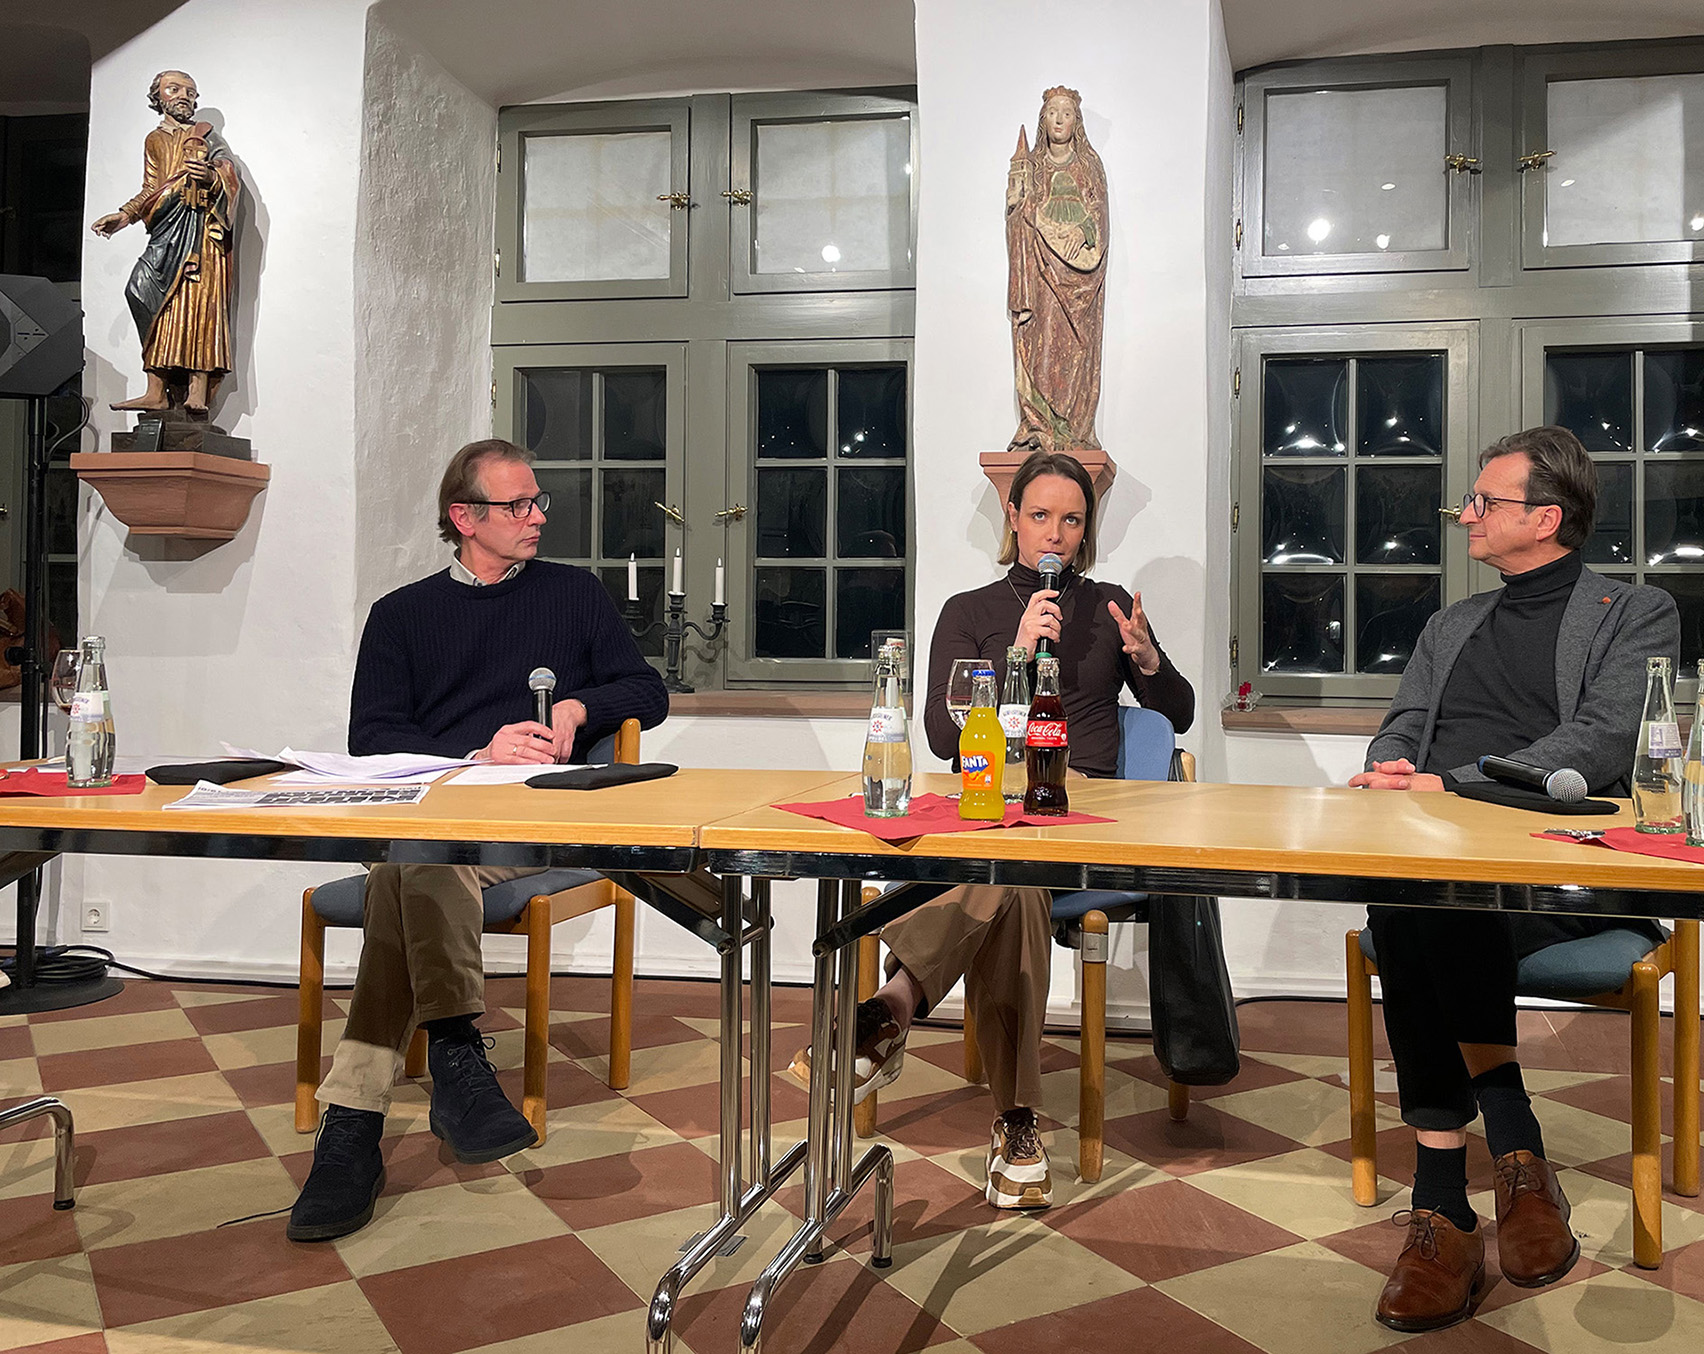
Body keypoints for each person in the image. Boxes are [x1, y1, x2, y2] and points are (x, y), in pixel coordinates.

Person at [288, 438, 719, 1243]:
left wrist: (580, 707)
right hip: (431, 814)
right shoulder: (401, 615)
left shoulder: (573, 595)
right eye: (517, 505)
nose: (537, 517)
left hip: (534, 823)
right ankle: (454, 1052)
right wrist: (473, 755)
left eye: (537, 501)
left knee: (409, 869)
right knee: (421, 858)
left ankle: (353, 1127)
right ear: (464, 517)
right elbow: (372, 738)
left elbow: (647, 691)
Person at [790, 450, 1193, 1210]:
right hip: (987, 798)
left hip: (1078, 807)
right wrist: (1014, 651)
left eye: (1071, 520)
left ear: (1086, 529)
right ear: (1012, 518)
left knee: (1011, 872)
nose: (1055, 534)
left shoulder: (1109, 606)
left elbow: (1180, 713)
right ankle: (1016, 1125)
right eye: (1040, 516)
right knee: (1016, 887)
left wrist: (1147, 657)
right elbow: (943, 736)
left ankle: (893, 1007)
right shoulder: (969, 611)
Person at [1347, 426, 1679, 1332]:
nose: (1464, 514)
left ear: (1545, 517)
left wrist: (1451, 785)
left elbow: (1602, 741)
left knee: (1427, 902)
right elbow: (1402, 721)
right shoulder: (1449, 624)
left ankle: (1446, 1200)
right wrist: (1389, 768)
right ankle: (1510, 1162)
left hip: (1560, 868)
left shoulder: (1634, 611)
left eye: (1483, 502)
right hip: (1437, 856)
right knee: (1425, 892)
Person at [91, 70, 240, 416]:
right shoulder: (154, 140)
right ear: (158, 98)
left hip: (200, 231)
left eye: (190, 91)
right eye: (174, 89)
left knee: (198, 303)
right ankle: (156, 390)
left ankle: (197, 388)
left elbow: (228, 171)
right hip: (166, 229)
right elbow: (151, 188)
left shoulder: (206, 135)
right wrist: (124, 216)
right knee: (139, 290)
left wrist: (212, 176)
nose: (184, 95)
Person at [1005, 86, 1108, 454]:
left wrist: (1083, 231)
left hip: (1078, 277)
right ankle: (1039, 425)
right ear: (1043, 120)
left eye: (1066, 113)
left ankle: (1075, 429)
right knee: (1041, 342)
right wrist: (1017, 209)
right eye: (1052, 112)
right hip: (1040, 273)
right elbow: (1018, 219)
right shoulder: (1032, 166)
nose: (1059, 119)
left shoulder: (1088, 166)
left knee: (1076, 348)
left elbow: (1099, 217)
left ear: (1076, 121)